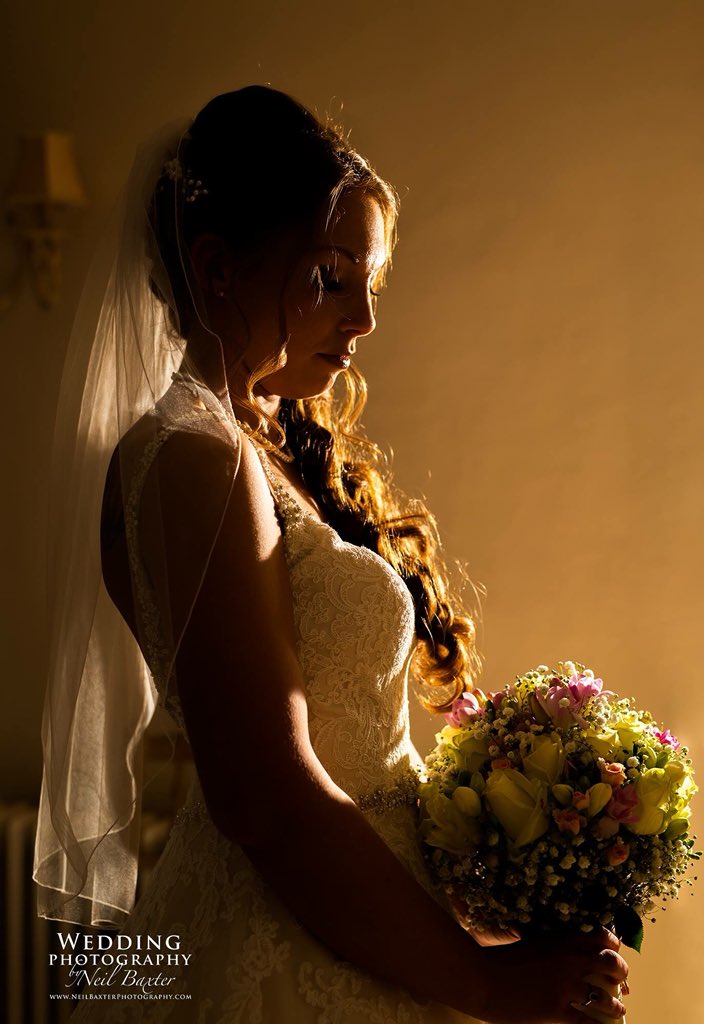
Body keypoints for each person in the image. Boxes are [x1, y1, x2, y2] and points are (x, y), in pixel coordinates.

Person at [34, 86, 628, 1023]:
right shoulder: (193, 457)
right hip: (281, 954)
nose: (363, 321)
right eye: (329, 278)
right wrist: (483, 983)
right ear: (216, 266)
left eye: (369, 285)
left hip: (361, 935)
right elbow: (263, 798)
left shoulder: (261, 447)